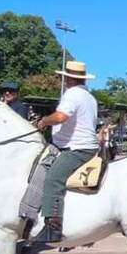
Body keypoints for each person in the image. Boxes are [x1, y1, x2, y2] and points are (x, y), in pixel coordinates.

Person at [35, 61, 99, 243]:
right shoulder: (89, 97)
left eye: (64, 77)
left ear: (69, 78)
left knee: (53, 180)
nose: (63, 80)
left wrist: (44, 121)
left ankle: (52, 226)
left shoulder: (72, 94)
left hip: (77, 148)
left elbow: (61, 117)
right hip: (86, 146)